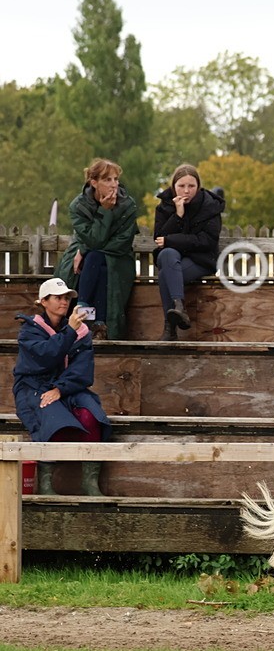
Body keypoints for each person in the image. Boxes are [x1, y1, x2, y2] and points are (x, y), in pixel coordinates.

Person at [13, 278, 114, 496]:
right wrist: (69, 331)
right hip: (33, 387)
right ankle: (47, 484)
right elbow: (46, 357)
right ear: (43, 301)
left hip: (68, 388)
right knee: (55, 421)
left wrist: (61, 388)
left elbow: (83, 370)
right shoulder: (29, 331)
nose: (64, 302)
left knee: (91, 416)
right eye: (58, 298)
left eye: (67, 298)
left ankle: (90, 484)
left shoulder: (81, 331)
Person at [54, 158, 139, 341]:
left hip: (119, 258)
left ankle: (83, 312)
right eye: (107, 180)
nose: (114, 184)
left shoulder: (127, 205)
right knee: (97, 262)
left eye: (116, 179)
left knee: (96, 257)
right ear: (94, 183)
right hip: (92, 259)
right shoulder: (79, 206)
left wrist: (85, 249)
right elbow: (92, 239)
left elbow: (122, 242)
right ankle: (98, 323)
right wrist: (104, 211)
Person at [153, 164, 224, 341]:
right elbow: (159, 238)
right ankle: (178, 307)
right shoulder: (164, 206)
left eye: (191, 186)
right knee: (168, 254)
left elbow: (206, 241)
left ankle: (170, 329)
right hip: (172, 259)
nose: (186, 191)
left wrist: (172, 241)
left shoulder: (210, 206)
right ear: (173, 186)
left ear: (198, 187)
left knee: (164, 276)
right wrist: (178, 215)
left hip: (200, 260)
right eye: (181, 186)